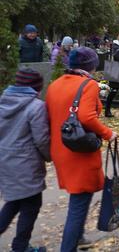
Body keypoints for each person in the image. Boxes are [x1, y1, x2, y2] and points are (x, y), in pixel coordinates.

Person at [46, 47, 117, 252]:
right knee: (79, 202)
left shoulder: (55, 85)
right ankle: (69, 246)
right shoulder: (89, 85)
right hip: (80, 150)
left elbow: (49, 116)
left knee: (78, 196)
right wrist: (107, 133)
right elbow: (86, 117)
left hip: (61, 148)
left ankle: (79, 237)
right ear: (90, 66)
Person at [0, 69, 50, 252]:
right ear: (36, 87)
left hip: (5, 160)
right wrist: (49, 156)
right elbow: (42, 139)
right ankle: (20, 247)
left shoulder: (2, 101)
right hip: (26, 163)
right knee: (31, 205)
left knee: (14, 201)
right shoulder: (36, 106)